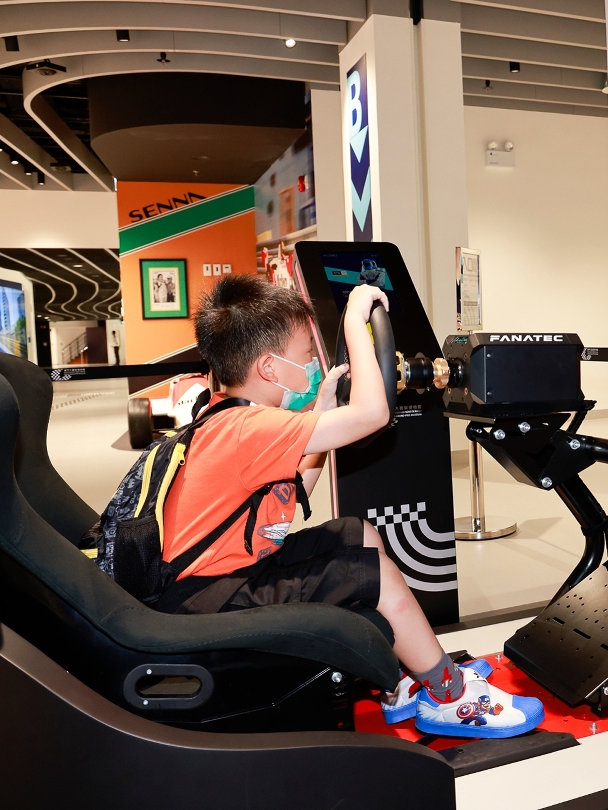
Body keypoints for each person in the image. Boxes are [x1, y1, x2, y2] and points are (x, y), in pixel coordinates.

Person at [155, 274, 543, 738]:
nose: (311, 363)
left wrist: (321, 409)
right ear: (269, 367)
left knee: (358, 534)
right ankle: (450, 696)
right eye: (305, 354)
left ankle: (402, 680)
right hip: (211, 598)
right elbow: (373, 414)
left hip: (222, 576)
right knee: (372, 574)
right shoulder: (250, 428)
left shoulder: (229, 415)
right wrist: (355, 322)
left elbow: (293, 491)